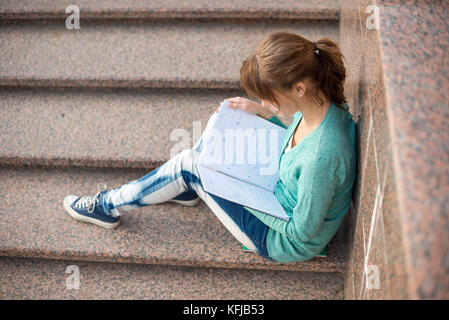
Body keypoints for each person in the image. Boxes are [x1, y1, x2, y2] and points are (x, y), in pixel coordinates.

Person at [63, 31, 357, 263]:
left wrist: (245, 198)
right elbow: (299, 134)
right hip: (278, 189)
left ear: (299, 88)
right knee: (222, 132)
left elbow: (301, 232)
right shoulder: (323, 108)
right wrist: (261, 111)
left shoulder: (322, 156)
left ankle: (106, 205)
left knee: (191, 164)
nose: (266, 104)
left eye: (270, 97)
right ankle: (189, 188)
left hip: (279, 239)